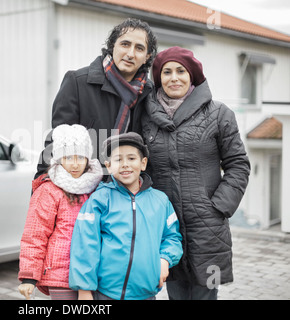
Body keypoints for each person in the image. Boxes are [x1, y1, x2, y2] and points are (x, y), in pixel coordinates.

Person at [141, 46, 251, 300]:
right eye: (166, 72)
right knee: (176, 293)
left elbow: (238, 164)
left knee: (206, 293)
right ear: (158, 78)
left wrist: (218, 206)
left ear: (192, 76)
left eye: (181, 70)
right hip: (165, 227)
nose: (174, 77)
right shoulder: (145, 117)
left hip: (207, 226)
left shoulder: (219, 114)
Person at [35, 18, 158, 178]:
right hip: (84, 189)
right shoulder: (77, 82)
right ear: (113, 46)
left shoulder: (150, 94)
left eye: (139, 48)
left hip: (128, 192)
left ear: (147, 56)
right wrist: (41, 189)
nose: (130, 53)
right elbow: (58, 143)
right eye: (125, 44)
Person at [68, 132, 183, 300]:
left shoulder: (161, 201)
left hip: (146, 294)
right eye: (118, 160)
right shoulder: (99, 200)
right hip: (105, 293)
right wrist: (84, 290)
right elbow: (85, 245)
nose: (125, 165)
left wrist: (165, 259)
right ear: (108, 166)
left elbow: (172, 237)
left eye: (131, 158)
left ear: (143, 163)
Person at [18, 124, 103, 300]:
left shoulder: (97, 188)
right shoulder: (49, 190)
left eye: (80, 157)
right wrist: (29, 276)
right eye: (68, 157)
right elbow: (35, 234)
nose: (75, 163)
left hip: (91, 274)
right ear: (58, 159)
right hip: (59, 275)